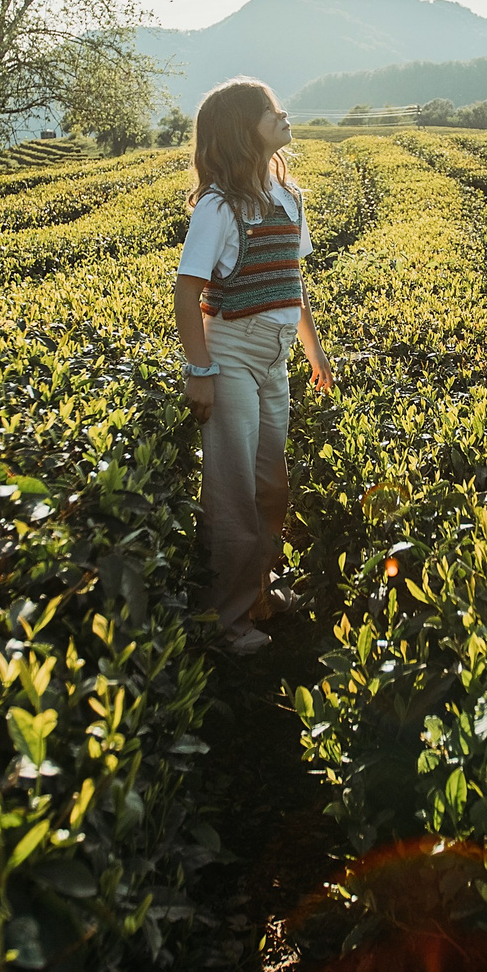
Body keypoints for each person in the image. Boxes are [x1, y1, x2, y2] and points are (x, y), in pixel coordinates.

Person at [175, 79, 334, 654]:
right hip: (232, 352)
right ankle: (227, 619)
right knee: (233, 489)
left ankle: (259, 590)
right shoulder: (219, 206)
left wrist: (314, 349)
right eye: (270, 110)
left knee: (271, 484)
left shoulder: (288, 196)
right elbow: (187, 291)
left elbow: (292, 282)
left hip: (275, 356)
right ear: (245, 130)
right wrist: (200, 371)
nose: (282, 113)